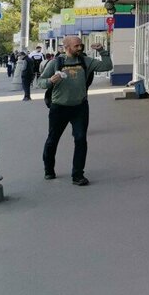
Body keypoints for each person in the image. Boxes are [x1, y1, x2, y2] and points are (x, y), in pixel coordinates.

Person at [37, 36, 113, 186]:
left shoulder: (85, 61)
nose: (79, 48)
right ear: (66, 47)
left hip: (80, 107)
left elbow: (107, 66)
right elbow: (41, 82)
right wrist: (50, 81)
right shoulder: (55, 63)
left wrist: (102, 51)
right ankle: (49, 169)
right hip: (59, 107)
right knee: (53, 139)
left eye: (81, 45)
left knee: (80, 139)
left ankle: (78, 175)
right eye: (76, 46)